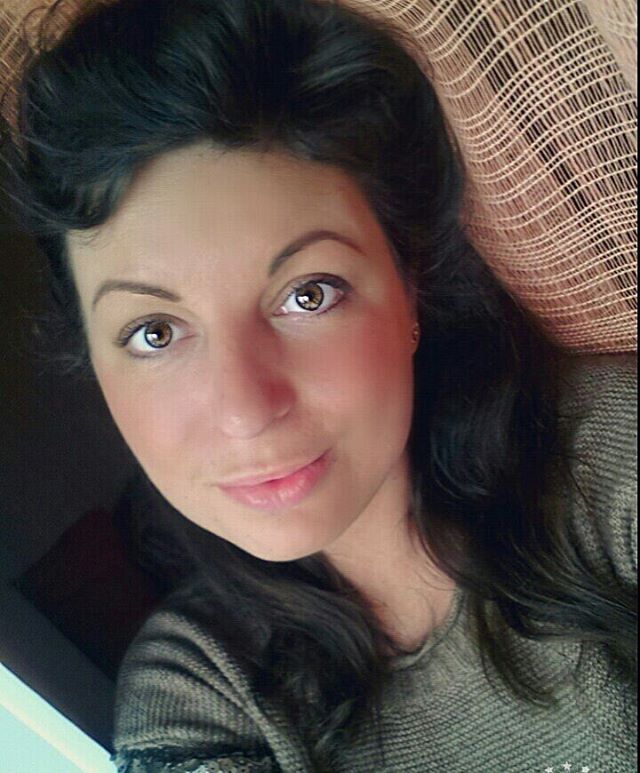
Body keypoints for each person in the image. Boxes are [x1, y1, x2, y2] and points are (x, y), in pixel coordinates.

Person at [0, 0, 636, 771]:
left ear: (409, 287)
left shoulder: (608, 462)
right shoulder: (201, 691)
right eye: (155, 333)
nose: (246, 410)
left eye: (309, 294)